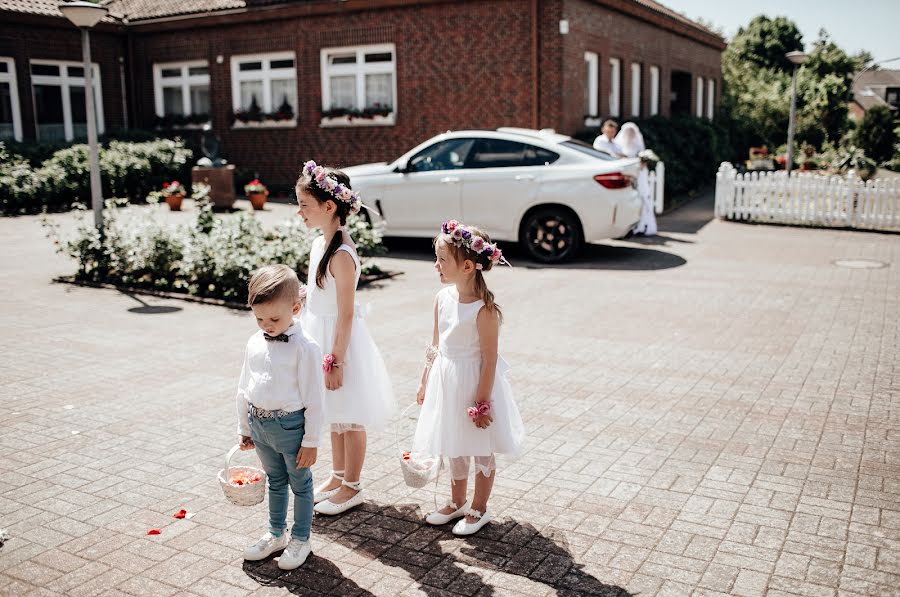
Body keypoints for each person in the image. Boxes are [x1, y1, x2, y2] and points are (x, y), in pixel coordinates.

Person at [413, 220, 525, 536]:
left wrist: (482, 402)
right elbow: (435, 345)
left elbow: (489, 358)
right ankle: (457, 500)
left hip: (474, 383)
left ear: (466, 266)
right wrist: (424, 379)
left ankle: (479, 507)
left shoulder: (484, 310)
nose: (436, 265)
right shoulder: (442, 298)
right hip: (445, 379)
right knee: (453, 442)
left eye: (442, 260)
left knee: (479, 445)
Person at [296, 160, 395, 516]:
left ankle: (353, 485)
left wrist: (335, 359)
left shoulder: (341, 254)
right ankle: (337, 476)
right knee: (334, 412)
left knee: (350, 414)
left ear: (329, 206)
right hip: (319, 332)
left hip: (340, 341)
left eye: (304, 205)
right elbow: (319, 293)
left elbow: (346, 312)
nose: (299, 212)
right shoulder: (318, 245)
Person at [236, 265, 324, 570]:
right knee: (275, 481)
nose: (266, 325)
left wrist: (311, 441)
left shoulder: (305, 348)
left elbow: (315, 399)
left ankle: (301, 538)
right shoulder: (254, 341)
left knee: (300, 483)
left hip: (291, 427)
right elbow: (243, 385)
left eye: (274, 319)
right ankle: (276, 533)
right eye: (260, 318)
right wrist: (244, 426)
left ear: (295, 308)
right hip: (259, 425)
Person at [615, 122, 657, 235]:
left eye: (632, 132)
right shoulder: (619, 145)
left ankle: (643, 224)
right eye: (628, 132)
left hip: (638, 175)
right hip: (626, 176)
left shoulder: (638, 146)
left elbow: (641, 161)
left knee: (641, 198)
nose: (630, 134)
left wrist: (643, 162)